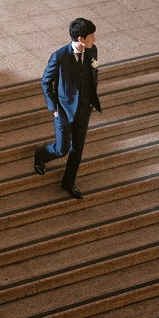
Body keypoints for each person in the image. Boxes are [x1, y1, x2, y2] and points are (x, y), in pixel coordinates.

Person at [34, 17, 102, 200]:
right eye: (91, 37)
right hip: (63, 110)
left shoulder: (92, 51)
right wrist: (54, 107)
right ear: (80, 38)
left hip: (84, 109)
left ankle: (69, 182)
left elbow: (93, 73)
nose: (94, 40)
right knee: (61, 149)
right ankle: (41, 154)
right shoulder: (60, 56)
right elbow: (46, 82)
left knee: (77, 149)